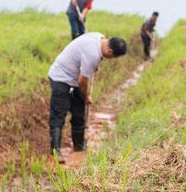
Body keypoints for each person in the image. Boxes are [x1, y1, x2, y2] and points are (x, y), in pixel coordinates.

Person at [47, 32, 127, 162]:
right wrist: (86, 96)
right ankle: (55, 153)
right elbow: (82, 82)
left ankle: (79, 148)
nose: (110, 59)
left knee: (79, 113)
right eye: (112, 57)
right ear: (110, 52)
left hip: (74, 78)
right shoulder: (93, 55)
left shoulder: (99, 37)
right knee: (58, 115)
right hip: (60, 77)